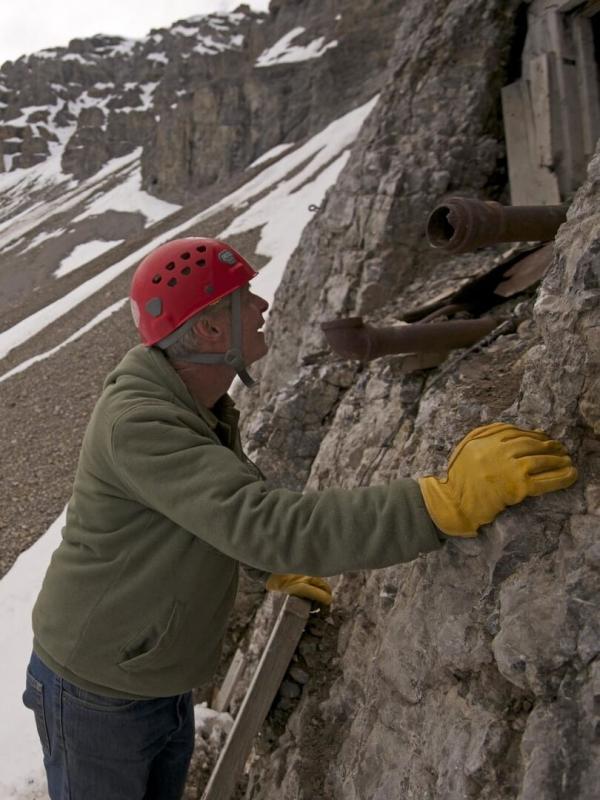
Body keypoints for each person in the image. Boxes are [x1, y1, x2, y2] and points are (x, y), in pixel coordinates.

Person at [23, 237, 577, 800]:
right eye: (245, 297)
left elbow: (215, 507)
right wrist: (439, 504)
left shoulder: (190, 401)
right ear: (210, 330)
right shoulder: (142, 424)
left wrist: (266, 568)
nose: (262, 307)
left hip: (146, 674)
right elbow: (267, 522)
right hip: (94, 691)